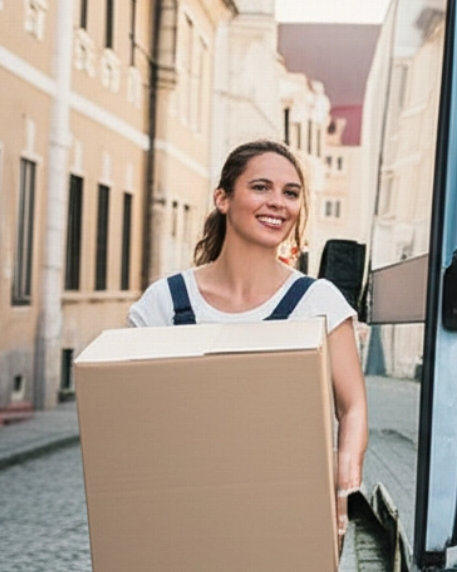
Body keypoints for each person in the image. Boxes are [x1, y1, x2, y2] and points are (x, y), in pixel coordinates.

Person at [128, 139, 368, 540]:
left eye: (291, 193)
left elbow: (353, 405)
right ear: (222, 198)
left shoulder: (317, 302)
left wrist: (344, 484)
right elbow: (133, 418)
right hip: (185, 514)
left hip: (287, 515)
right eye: (261, 187)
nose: (278, 202)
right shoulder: (165, 304)